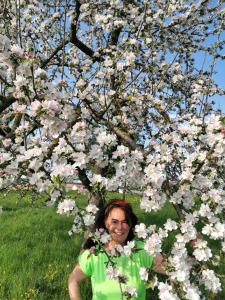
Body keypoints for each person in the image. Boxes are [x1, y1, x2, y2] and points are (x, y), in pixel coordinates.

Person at [68, 199, 165, 300]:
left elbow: (173, 270)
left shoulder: (143, 250)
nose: (120, 227)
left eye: (125, 222)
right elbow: (73, 280)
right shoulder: (94, 254)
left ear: (130, 224)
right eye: (114, 222)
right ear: (105, 223)